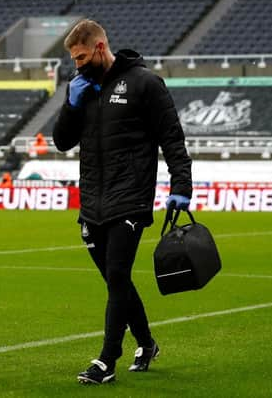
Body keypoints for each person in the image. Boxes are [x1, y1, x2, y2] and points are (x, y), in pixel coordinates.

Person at [53, 19, 192, 385]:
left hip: (130, 197)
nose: (77, 64)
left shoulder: (145, 83)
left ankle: (106, 360)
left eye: (81, 57)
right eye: (73, 59)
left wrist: (182, 185)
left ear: (100, 47)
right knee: (117, 282)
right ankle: (146, 343)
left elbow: (172, 139)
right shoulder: (83, 88)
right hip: (92, 200)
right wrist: (70, 103)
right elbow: (62, 142)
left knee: (117, 275)